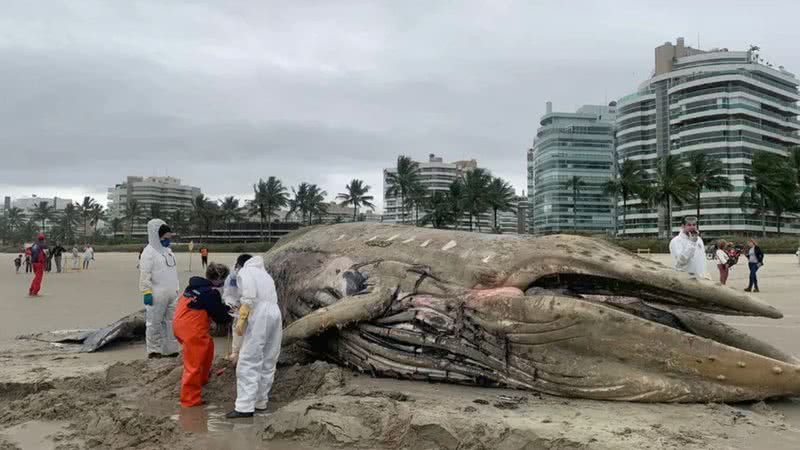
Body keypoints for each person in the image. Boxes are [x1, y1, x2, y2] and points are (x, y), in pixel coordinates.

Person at [226, 254, 282, 419]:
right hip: (275, 313)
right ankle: (260, 402)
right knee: (268, 358)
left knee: (249, 359)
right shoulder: (265, 274)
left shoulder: (246, 271)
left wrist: (242, 317)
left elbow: (249, 295)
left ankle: (244, 407)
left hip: (259, 312)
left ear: (239, 265)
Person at [173, 263, 232, 408]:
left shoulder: (194, 287)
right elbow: (219, 316)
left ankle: (203, 378)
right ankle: (190, 400)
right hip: (191, 329)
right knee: (194, 364)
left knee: (208, 346)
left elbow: (211, 307)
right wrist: (231, 312)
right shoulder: (210, 293)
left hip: (179, 324)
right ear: (219, 280)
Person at [139, 218, 180, 358]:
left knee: (171, 322)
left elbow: (173, 272)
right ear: (157, 236)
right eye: (165, 238)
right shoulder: (148, 252)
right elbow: (145, 274)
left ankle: (171, 348)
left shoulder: (168, 251)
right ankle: (154, 350)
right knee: (154, 322)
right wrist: (147, 291)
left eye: (169, 238)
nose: (167, 240)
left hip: (172, 293)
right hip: (156, 293)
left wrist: (176, 289)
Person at [222, 255, 247, 362]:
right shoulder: (233, 276)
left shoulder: (254, 274)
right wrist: (232, 304)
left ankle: (244, 353)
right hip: (238, 307)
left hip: (251, 307)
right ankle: (235, 353)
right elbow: (228, 293)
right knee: (237, 328)